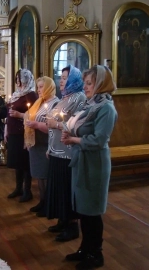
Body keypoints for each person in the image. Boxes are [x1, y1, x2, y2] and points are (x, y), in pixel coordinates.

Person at [61, 65, 117, 270]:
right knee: (84, 210)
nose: (85, 87)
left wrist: (74, 139)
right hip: (82, 160)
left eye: (89, 83)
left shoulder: (106, 108)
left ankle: (96, 254)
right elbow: (77, 125)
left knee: (92, 212)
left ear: (101, 84)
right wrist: (67, 131)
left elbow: (98, 140)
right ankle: (85, 248)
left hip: (94, 164)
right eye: (84, 83)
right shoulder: (90, 104)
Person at [45, 65, 86, 242]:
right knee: (59, 188)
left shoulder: (80, 98)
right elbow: (51, 120)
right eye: (60, 78)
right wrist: (49, 147)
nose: (61, 81)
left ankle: (72, 226)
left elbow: (76, 125)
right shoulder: (65, 98)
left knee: (67, 189)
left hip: (67, 151)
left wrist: (57, 124)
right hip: (56, 149)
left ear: (74, 80)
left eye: (65, 78)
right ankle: (62, 220)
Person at [24, 76, 59, 216]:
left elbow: (53, 127)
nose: (38, 90)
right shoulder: (40, 102)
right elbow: (29, 116)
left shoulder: (55, 103)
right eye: (37, 87)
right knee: (39, 175)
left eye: (41, 87)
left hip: (46, 143)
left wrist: (36, 125)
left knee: (45, 175)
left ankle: (48, 204)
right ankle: (42, 201)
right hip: (35, 143)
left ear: (49, 87)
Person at [5, 69, 37, 202]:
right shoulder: (16, 94)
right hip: (13, 132)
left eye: (20, 79)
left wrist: (20, 115)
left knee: (24, 163)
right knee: (17, 162)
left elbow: (34, 115)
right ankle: (18, 188)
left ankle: (27, 190)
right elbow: (9, 111)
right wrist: (6, 128)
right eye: (16, 79)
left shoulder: (31, 95)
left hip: (24, 133)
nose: (18, 82)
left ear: (27, 80)